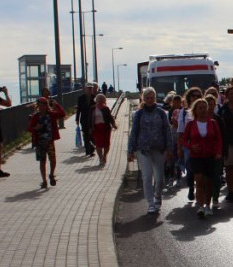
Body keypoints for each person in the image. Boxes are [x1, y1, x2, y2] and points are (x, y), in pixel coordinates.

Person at [127, 87, 173, 215]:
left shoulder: (161, 113)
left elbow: (167, 131)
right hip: (143, 149)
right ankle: (150, 203)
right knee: (147, 177)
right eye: (147, 98)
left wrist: (170, 148)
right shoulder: (138, 114)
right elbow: (134, 132)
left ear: (155, 98)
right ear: (143, 99)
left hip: (159, 149)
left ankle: (158, 197)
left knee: (160, 179)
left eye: (151, 97)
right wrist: (130, 151)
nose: (149, 100)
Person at [183, 98, 223, 218]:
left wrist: (218, 152)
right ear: (195, 110)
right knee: (199, 180)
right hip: (196, 157)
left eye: (204, 108)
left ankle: (207, 205)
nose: (203, 110)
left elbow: (219, 139)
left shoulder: (213, 123)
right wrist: (191, 147)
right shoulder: (191, 124)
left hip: (210, 156)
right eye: (200, 108)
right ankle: (200, 206)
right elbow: (184, 140)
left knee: (208, 182)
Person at [27, 96, 64, 189]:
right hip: (40, 142)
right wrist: (36, 128)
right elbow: (30, 128)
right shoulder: (35, 116)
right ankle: (44, 181)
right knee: (42, 161)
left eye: (43, 104)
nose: (41, 106)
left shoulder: (51, 114)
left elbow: (62, 114)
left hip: (49, 141)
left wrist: (56, 105)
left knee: (53, 159)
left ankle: (51, 175)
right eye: (40, 104)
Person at [91, 92, 118, 166]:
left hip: (105, 128)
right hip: (96, 128)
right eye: (98, 99)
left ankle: (105, 155)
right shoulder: (93, 108)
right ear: (96, 100)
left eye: (101, 99)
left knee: (106, 143)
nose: (100, 101)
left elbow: (110, 117)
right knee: (98, 144)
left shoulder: (106, 108)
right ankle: (100, 157)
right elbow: (89, 119)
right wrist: (89, 128)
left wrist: (113, 124)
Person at [76, 82, 98, 157]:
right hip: (84, 119)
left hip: (92, 119)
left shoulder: (95, 97)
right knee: (86, 135)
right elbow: (78, 109)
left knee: (91, 135)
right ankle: (88, 151)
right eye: (88, 88)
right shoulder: (81, 98)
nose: (90, 89)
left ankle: (91, 149)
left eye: (91, 88)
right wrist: (77, 119)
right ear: (85, 89)